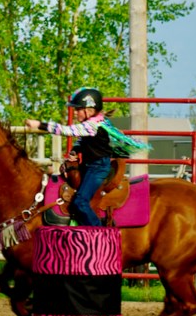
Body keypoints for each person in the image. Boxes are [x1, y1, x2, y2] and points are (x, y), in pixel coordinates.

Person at [25, 88, 149, 227]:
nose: (76, 112)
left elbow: (66, 130)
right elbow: (81, 141)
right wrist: (74, 151)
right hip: (91, 166)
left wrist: (39, 125)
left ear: (89, 110)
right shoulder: (96, 124)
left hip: (98, 168)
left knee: (80, 202)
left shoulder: (92, 126)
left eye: (78, 109)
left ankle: (99, 231)